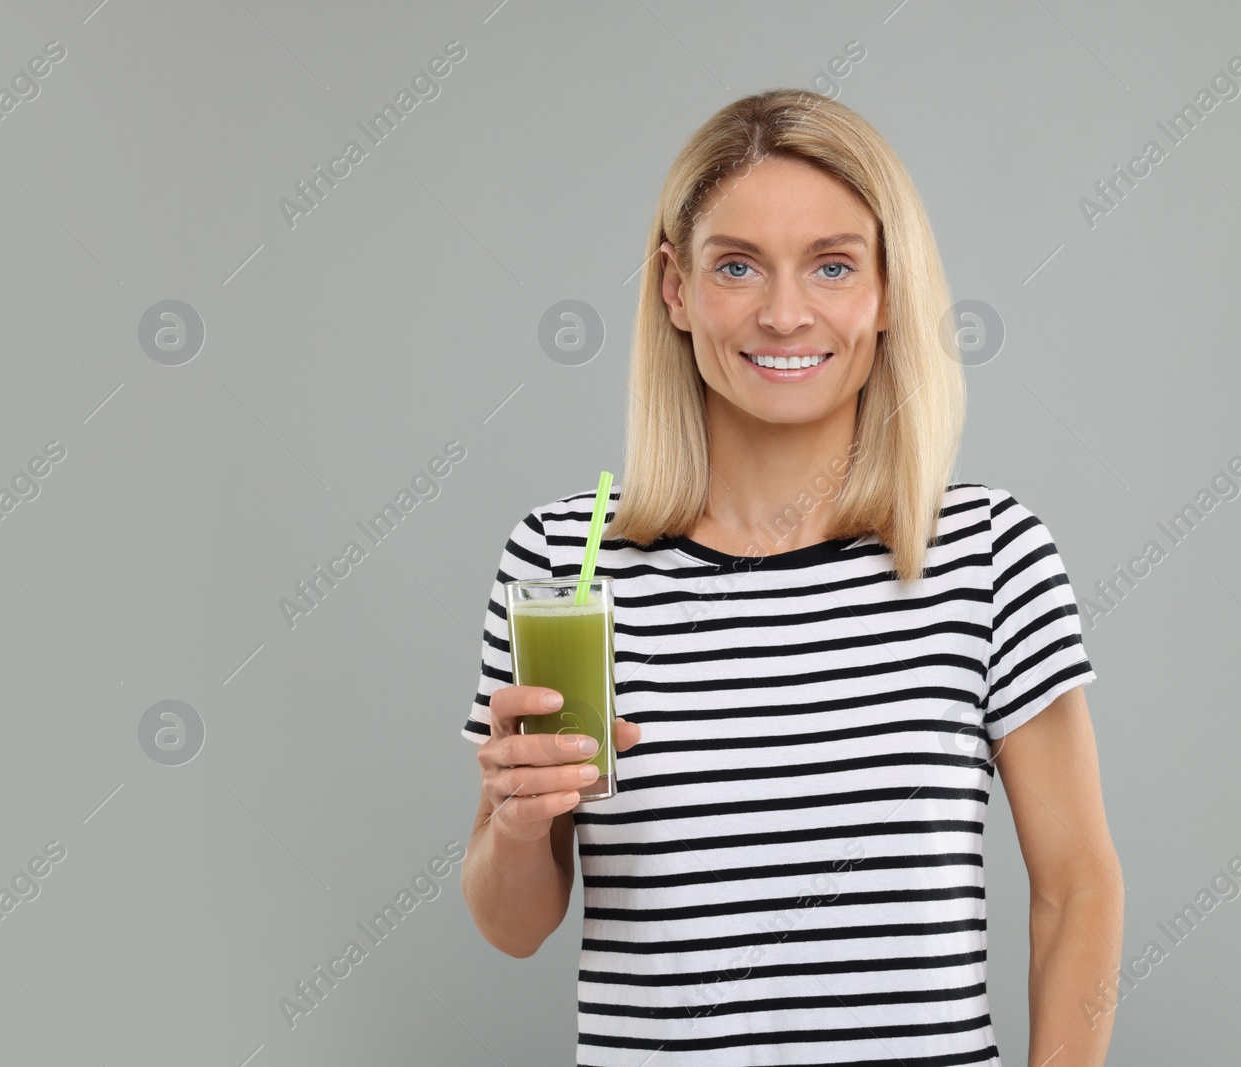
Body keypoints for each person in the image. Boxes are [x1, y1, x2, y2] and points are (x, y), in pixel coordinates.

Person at [461, 88, 1123, 1067]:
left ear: (888, 290)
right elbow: (514, 925)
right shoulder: (564, 562)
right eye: (735, 266)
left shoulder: (987, 551)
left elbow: (1076, 887)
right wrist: (519, 822)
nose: (782, 312)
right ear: (675, 290)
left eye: (832, 264)